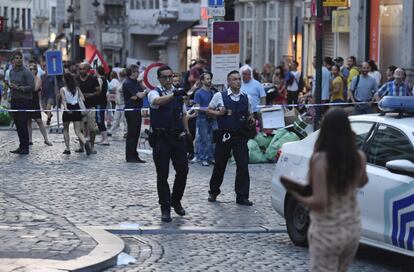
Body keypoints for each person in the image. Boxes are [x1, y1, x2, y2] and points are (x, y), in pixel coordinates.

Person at [285, 108, 368, 272]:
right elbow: (362, 182)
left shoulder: (321, 160)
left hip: (327, 230)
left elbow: (319, 201)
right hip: (351, 229)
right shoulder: (358, 157)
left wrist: (297, 195)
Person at [148, 65, 189, 222]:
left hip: (178, 137)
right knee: (162, 174)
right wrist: (173, 95)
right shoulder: (154, 92)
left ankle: (175, 200)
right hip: (161, 138)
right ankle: (165, 207)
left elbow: (183, 113)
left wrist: (187, 131)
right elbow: (157, 101)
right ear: (159, 78)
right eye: (164, 77)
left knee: (183, 171)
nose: (167, 79)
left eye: (170, 76)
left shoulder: (177, 93)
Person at [206, 70, 254, 206]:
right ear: (229, 81)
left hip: (240, 135)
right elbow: (208, 111)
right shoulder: (219, 96)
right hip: (224, 135)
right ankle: (213, 191)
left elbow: (250, 113)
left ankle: (242, 195)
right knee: (220, 165)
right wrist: (218, 112)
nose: (238, 82)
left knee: (243, 165)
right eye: (234, 79)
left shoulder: (246, 97)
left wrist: (250, 120)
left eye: (239, 79)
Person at [8, 50, 35, 155]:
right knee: (18, 125)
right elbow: (12, 84)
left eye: (20, 58)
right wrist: (11, 87)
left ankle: (26, 147)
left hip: (25, 100)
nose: (18, 60)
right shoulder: (11, 71)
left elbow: (32, 87)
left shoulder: (26, 72)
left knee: (23, 124)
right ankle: (21, 145)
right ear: (13, 60)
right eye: (16, 58)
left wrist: (19, 88)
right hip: (15, 99)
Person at [60, 73, 91, 155]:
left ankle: (67, 149)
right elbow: (83, 98)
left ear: (65, 80)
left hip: (68, 109)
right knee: (77, 130)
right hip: (77, 109)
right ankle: (85, 142)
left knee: (66, 129)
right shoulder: (77, 88)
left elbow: (64, 100)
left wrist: (66, 109)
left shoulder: (62, 89)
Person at [123, 64, 147, 163]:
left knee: (136, 133)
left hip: (137, 109)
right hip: (131, 110)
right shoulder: (128, 83)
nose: (138, 73)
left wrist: (140, 94)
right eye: (136, 71)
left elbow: (139, 94)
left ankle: (134, 155)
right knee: (132, 134)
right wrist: (143, 93)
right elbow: (139, 95)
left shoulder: (135, 82)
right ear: (131, 72)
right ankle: (130, 156)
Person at [76, 62, 100, 154]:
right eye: (80, 69)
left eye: (83, 69)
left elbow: (98, 91)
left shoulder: (93, 79)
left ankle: (92, 147)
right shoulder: (76, 79)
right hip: (79, 107)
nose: (82, 71)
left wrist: (89, 95)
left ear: (88, 70)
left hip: (91, 106)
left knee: (92, 128)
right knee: (80, 128)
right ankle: (81, 146)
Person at [193, 72, 217, 166]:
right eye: (207, 79)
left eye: (210, 78)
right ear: (202, 81)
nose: (209, 80)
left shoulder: (213, 92)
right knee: (204, 139)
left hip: (212, 118)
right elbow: (197, 107)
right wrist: (208, 110)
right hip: (202, 119)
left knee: (212, 139)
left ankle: (211, 157)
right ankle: (203, 158)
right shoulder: (198, 93)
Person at [27, 62, 52, 146]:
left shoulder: (38, 79)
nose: (30, 71)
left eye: (32, 69)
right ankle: (30, 140)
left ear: (35, 70)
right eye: (29, 69)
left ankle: (46, 139)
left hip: (34, 102)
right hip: (27, 101)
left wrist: (25, 88)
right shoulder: (26, 79)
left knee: (39, 121)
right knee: (28, 122)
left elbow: (35, 88)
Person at [240, 65, 265, 130]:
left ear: (250, 74)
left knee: (255, 129)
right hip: (243, 112)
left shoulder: (257, 84)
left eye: (247, 74)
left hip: (255, 112)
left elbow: (263, 97)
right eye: (244, 74)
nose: (245, 76)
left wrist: (261, 110)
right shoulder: (239, 84)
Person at [108, 69, 127, 137]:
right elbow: (115, 88)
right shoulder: (120, 82)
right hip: (118, 104)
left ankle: (126, 132)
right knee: (116, 118)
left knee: (124, 119)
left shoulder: (125, 83)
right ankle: (111, 131)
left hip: (123, 104)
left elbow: (120, 90)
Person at [96, 66, 110, 145]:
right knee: (100, 119)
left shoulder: (100, 79)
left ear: (97, 71)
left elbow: (99, 90)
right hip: (103, 101)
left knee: (99, 120)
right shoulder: (105, 79)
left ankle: (106, 139)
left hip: (100, 102)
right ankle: (103, 138)